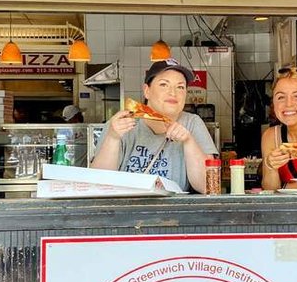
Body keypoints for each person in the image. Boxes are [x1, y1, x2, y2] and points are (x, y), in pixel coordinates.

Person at [91, 58, 217, 193]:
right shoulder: (120, 124)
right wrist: (113, 137)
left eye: (180, 87)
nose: (173, 92)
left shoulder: (192, 123)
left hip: (174, 211)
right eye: (164, 85)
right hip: (126, 209)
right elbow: (98, 184)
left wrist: (188, 141)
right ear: (147, 91)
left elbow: (209, 187)